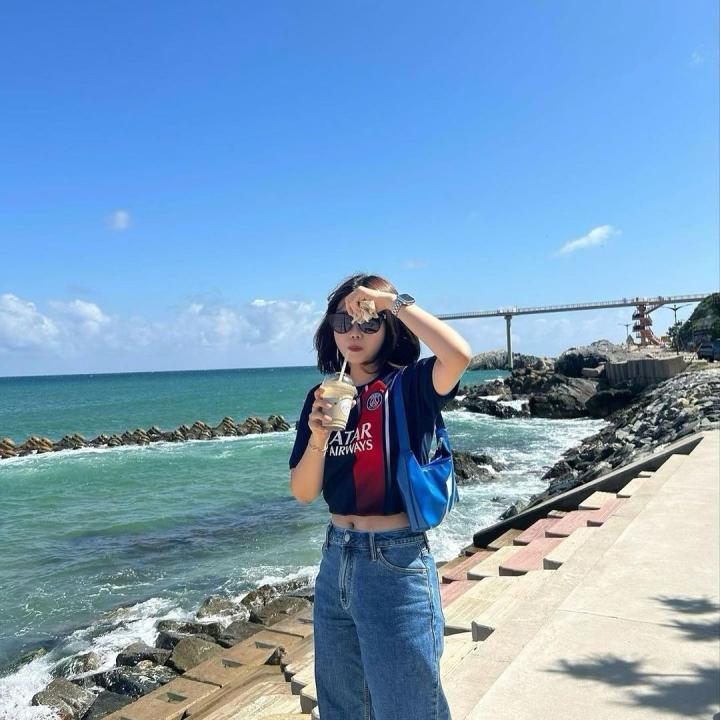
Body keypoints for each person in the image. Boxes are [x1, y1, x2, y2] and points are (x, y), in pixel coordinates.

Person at [289, 272, 472, 720]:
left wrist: (391, 301)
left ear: (389, 328)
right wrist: (318, 435)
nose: (354, 332)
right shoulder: (322, 396)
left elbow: (458, 355)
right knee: (343, 709)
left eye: (369, 321)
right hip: (336, 559)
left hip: (395, 562)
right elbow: (304, 491)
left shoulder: (410, 385)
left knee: (408, 709)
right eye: (343, 321)